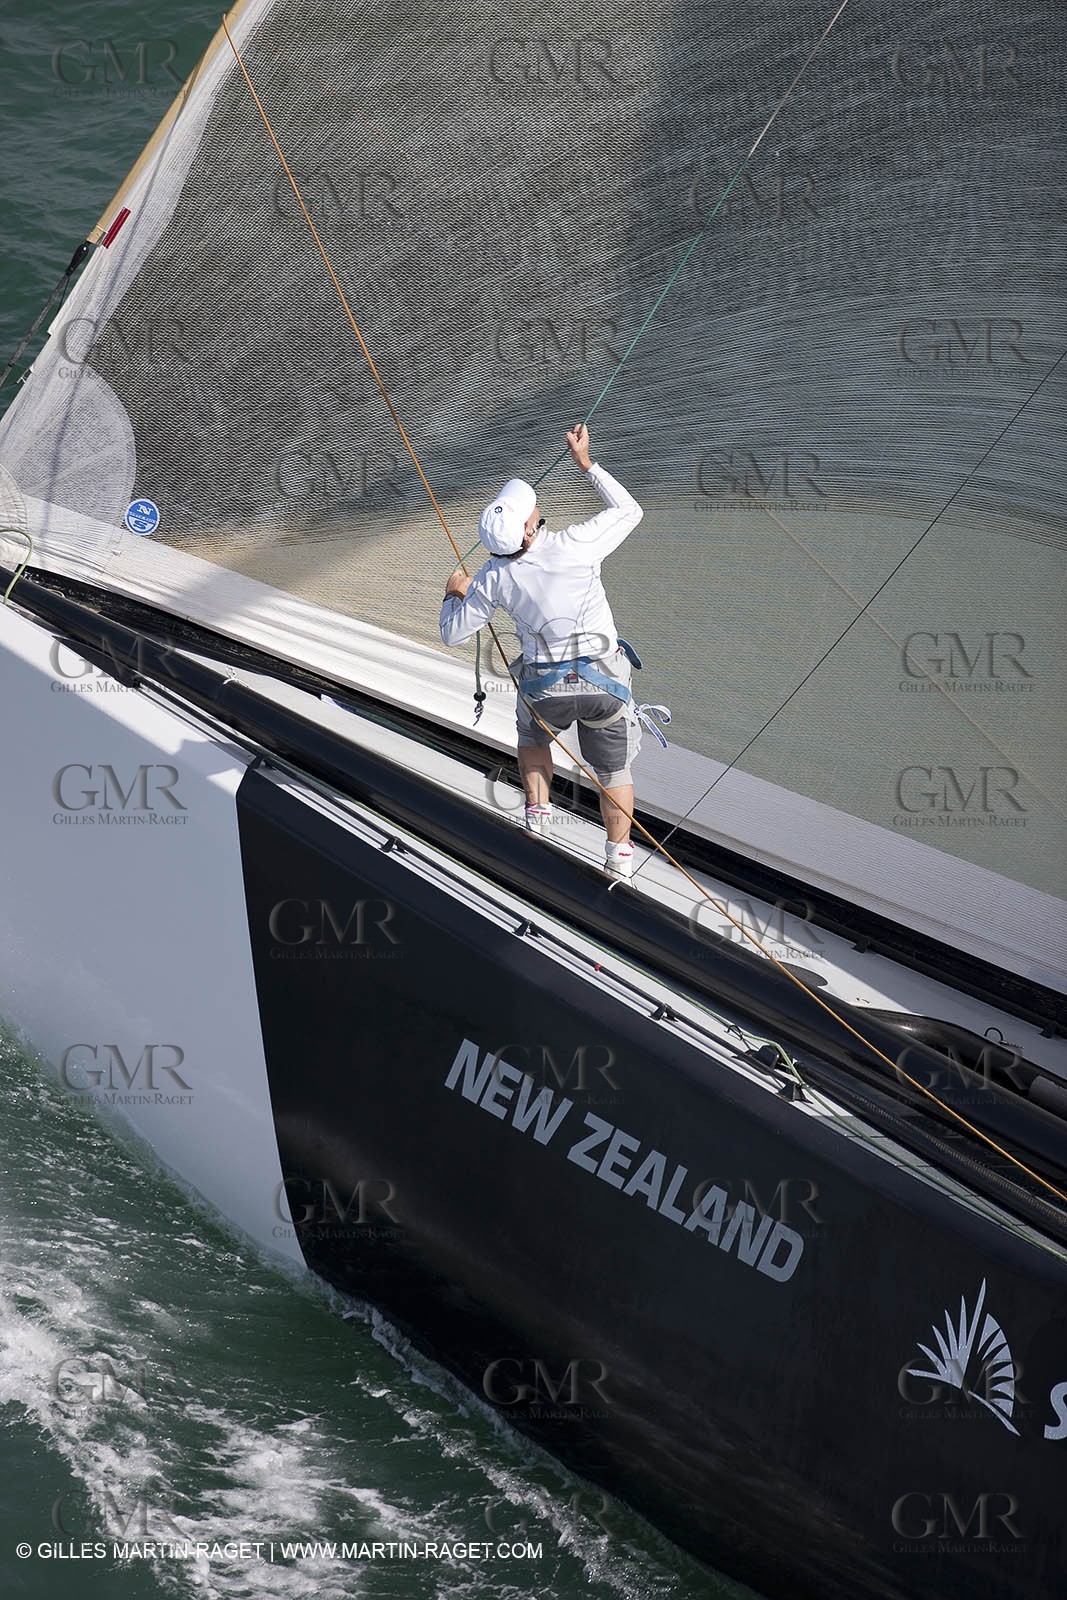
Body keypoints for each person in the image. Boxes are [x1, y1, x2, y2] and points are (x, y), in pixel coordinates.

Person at [439, 424, 643, 880]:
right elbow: (630, 511)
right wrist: (585, 464)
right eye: (532, 512)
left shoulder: (492, 576)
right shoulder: (575, 545)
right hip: (604, 688)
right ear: (530, 529)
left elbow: (453, 633)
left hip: (544, 689)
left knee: (533, 739)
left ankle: (538, 824)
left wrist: (454, 593)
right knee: (612, 772)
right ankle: (619, 859)